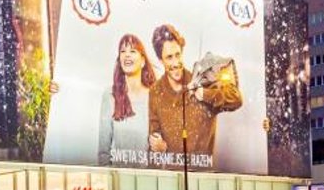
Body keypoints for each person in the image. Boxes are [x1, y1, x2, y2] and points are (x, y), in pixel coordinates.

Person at [147, 24, 243, 169]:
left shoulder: (201, 81)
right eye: (169, 57)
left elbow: (236, 99)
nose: (175, 62)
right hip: (171, 178)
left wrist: (205, 94)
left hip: (203, 178)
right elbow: (154, 137)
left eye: (178, 54)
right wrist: (157, 146)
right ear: (160, 60)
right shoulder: (155, 91)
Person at [98, 34, 156, 167]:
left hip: (147, 179)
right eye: (123, 51)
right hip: (117, 179)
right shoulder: (109, 95)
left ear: (142, 61)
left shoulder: (155, 96)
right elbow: (103, 152)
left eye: (132, 51)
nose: (127, 55)